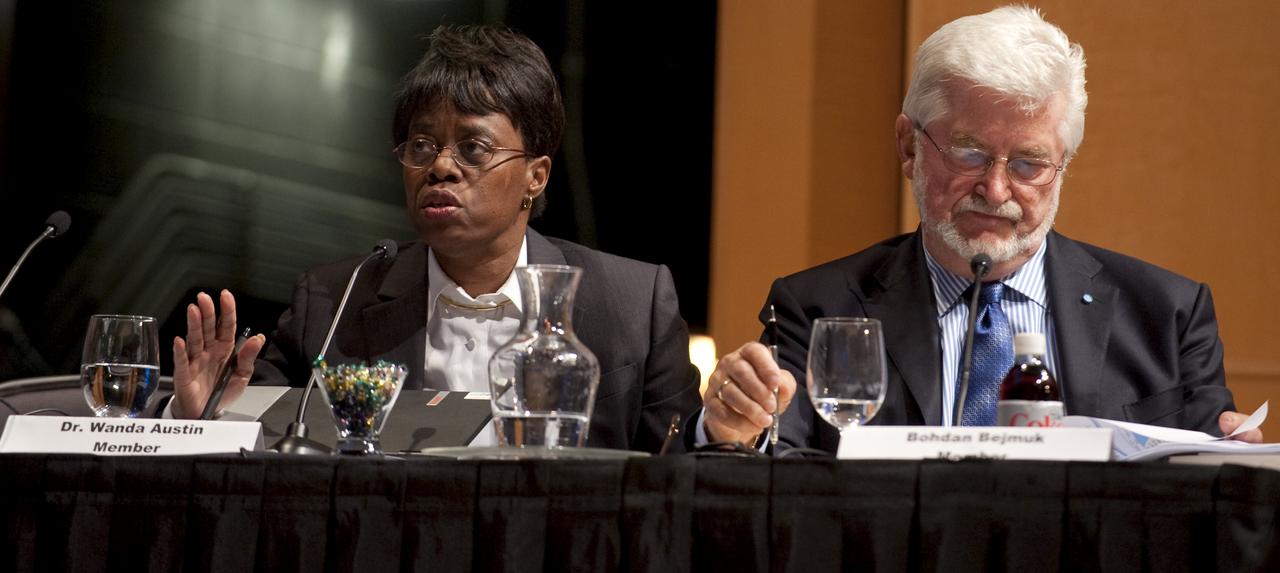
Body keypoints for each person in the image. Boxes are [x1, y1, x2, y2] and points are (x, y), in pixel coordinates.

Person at [702, 5, 1263, 451]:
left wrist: (1236, 467)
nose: (996, 192)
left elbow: (1208, 503)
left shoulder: (1167, 314)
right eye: (968, 155)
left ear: (1063, 162)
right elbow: (768, 472)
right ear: (908, 146)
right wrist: (732, 430)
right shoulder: (818, 307)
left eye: (1028, 164)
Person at [167, 24, 702, 453]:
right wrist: (198, 419)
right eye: (421, 145)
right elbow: (260, 458)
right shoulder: (336, 302)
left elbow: (680, 472)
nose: (440, 167)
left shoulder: (632, 302)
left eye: (473, 148)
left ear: (536, 175)